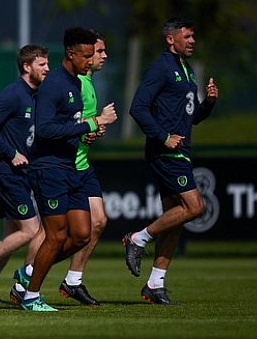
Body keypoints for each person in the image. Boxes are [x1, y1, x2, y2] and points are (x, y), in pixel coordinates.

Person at [21, 27, 117, 312]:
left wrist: (83, 133)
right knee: (56, 235)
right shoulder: (54, 84)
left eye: (93, 55)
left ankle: (29, 274)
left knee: (82, 234)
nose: (91, 60)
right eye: (86, 55)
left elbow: (68, 127)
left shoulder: (77, 83)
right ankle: (30, 296)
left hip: (70, 167)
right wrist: (92, 123)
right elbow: (46, 129)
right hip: (48, 167)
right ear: (71, 53)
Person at [125, 17, 218, 304]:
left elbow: (192, 118)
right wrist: (163, 136)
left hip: (181, 151)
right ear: (171, 39)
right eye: (187, 36)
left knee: (174, 221)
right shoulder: (161, 67)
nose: (192, 41)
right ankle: (137, 238)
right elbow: (137, 108)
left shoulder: (186, 71)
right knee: (196, 207)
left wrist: (209, 105)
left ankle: (155, 285)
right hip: (165, 152)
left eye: (193, 36)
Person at [0, 44, 49, 305]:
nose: (47, 68)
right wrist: (12, 153)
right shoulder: (13, 93)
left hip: (20, 173)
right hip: (5, 172)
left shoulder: (36, 96)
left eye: (47, 64)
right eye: (41, 64)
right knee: (31, 229)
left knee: (10, 236)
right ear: (27, 67)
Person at [55, 29, 115, 306]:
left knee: (98, 221)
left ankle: (73, 281)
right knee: (50, 233)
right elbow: (63, 123)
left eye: (99, 52)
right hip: (64, 166)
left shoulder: (88, 83)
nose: (99, 57)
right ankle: (27, 276)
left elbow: (83, 123)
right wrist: (97, 122)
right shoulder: (72, 82)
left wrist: (92, 130)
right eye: (95, 52)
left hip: (82, 164)